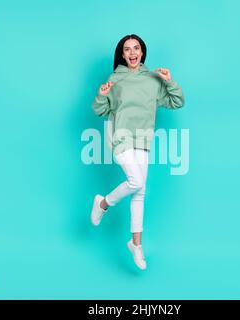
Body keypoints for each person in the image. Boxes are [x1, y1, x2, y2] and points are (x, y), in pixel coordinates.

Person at [90, 34, 185, 270]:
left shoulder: (153, 80)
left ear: (142, 52)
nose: (132, 52)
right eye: (127, 49)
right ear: (122, 55)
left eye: (136, 48)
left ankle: (136, 245)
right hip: (120, 137)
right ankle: (103, 204)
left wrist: (169, 81)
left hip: (143, 140)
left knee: (139, 191)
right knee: (136, 181)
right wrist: (102, 96)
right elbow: (100, 111)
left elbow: (177, 102)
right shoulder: (116, 79)